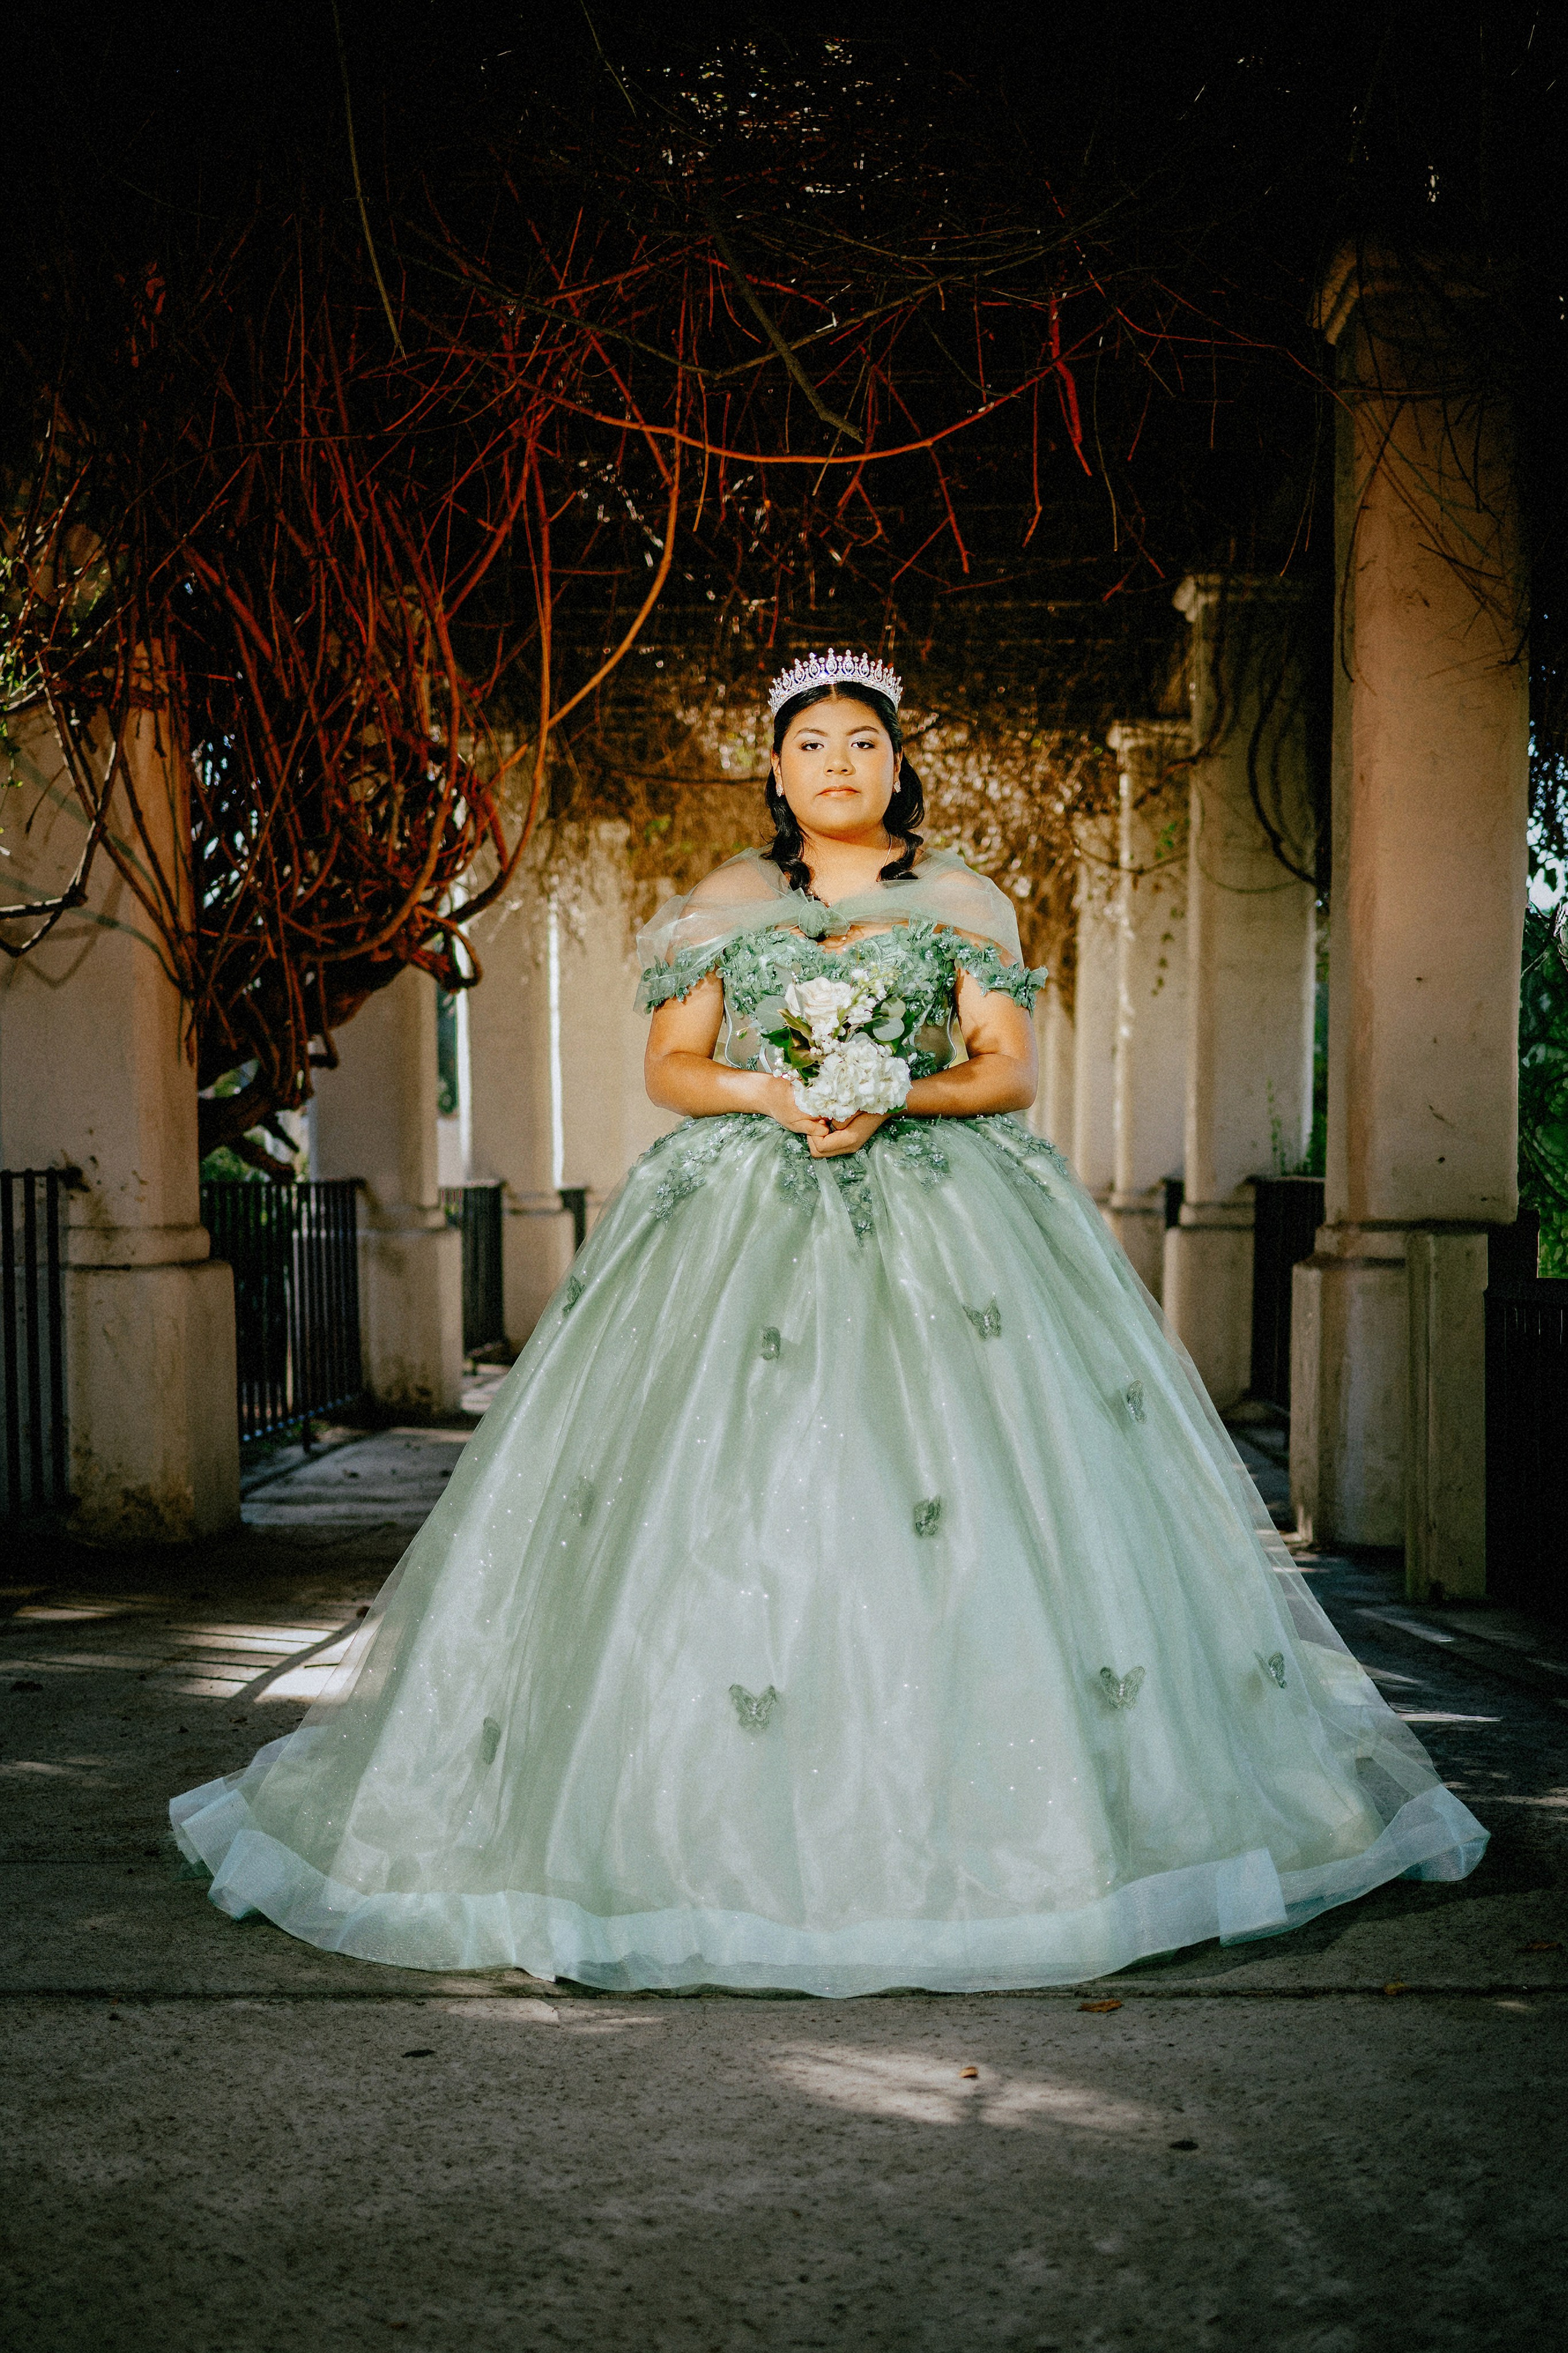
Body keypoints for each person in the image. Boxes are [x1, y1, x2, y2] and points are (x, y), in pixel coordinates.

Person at [172, 648, 1485, 1994]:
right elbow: (672, 1066)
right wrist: (781, 1099)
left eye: (862, 740)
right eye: (811, 744)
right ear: (778, 768)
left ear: (898, 759)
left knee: (960, 1479)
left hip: (941, 1212)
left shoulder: (961, 895)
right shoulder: (726, 901)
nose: (839, 763)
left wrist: (882, 1096)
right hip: (743, 1200)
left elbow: (1005, 1068)